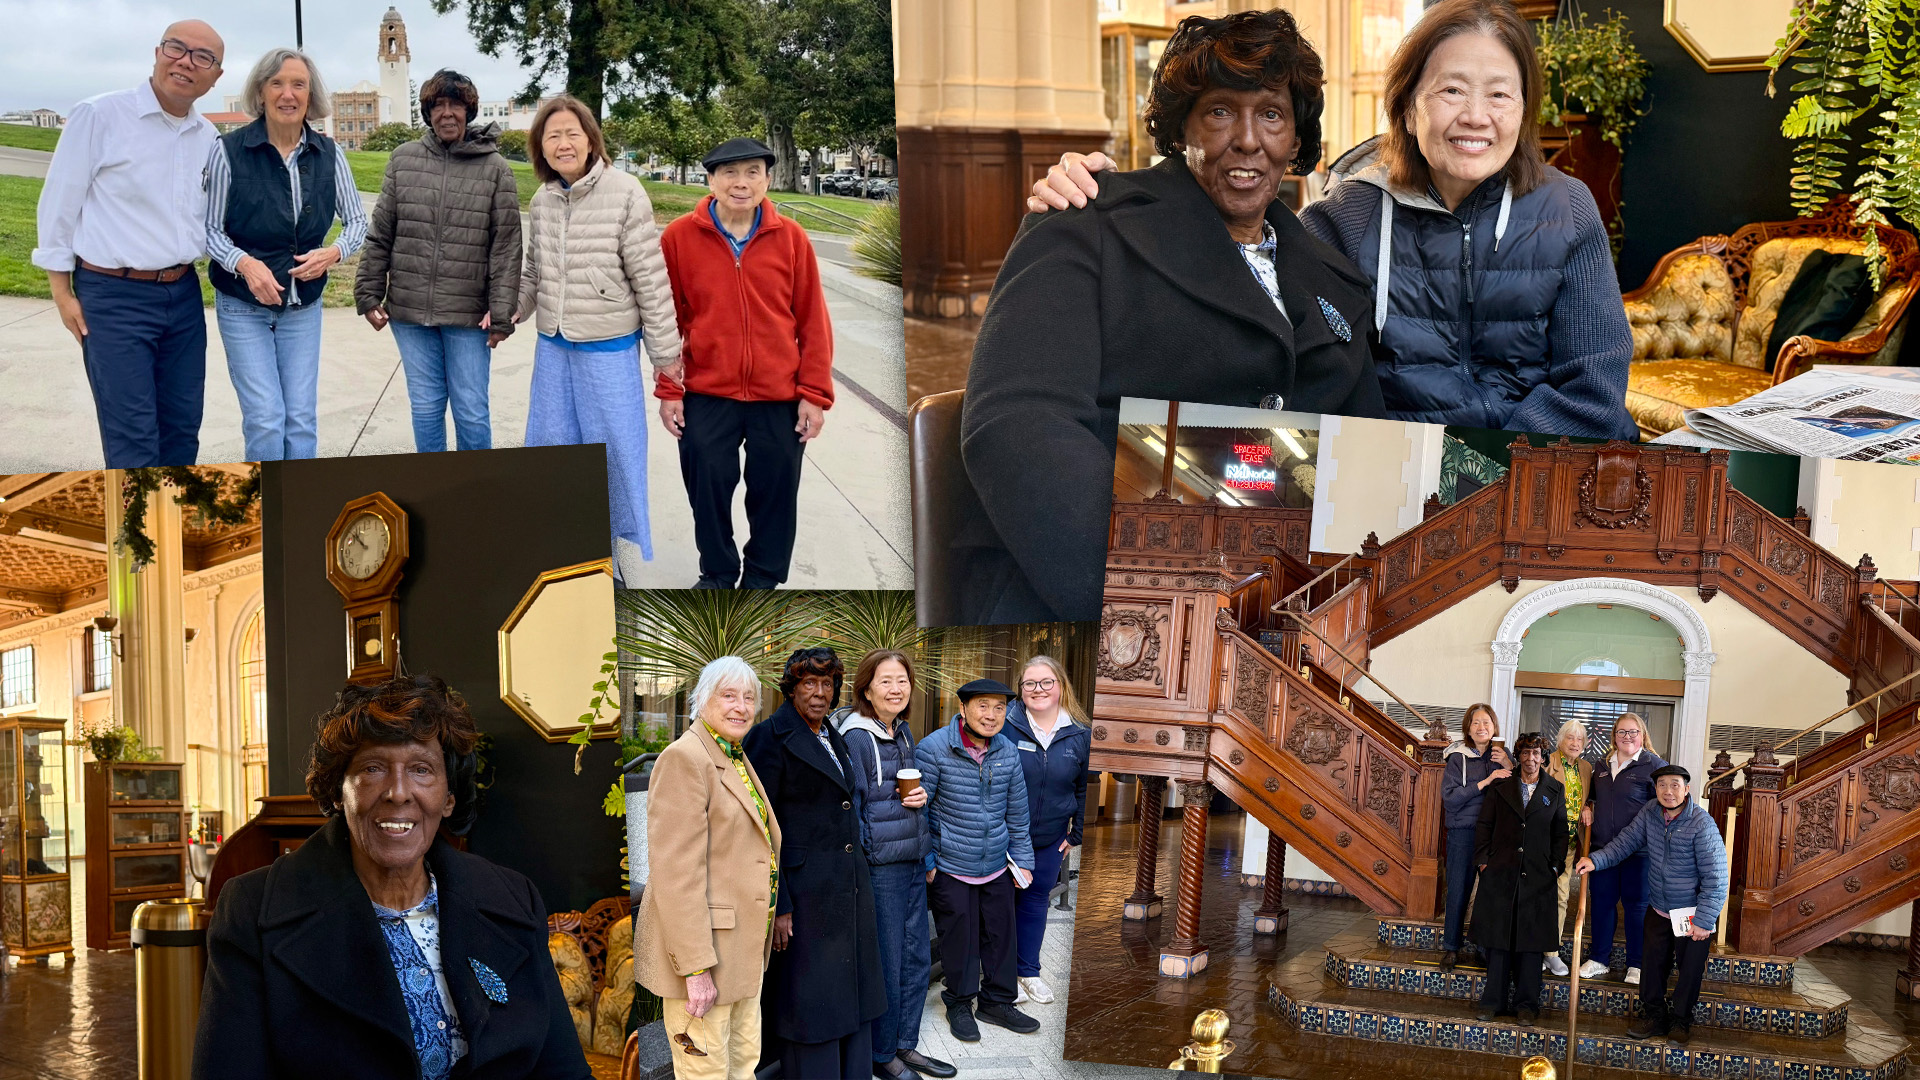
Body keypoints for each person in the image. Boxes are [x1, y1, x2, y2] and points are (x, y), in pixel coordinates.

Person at [1029, 0, 1638, 441]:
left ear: (1525, 109)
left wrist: (1483, 470)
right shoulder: (1350, 212)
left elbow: (1594, 394)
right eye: (1451, 91)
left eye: (1500, 95)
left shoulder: (1568, 208)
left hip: (1544, 476)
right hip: (1397, 491)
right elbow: (1238, 254)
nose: (1476, 116)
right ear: (1407, 105)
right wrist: (1102, 193)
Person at [965, 7, 1386, 627]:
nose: (1247, 139)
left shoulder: (1335, 278)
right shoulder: (1086, 226)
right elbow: (1017, 423)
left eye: (1271, 113)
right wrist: (1139, 599)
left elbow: (1366, 455)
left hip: (1283, 613)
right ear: (1180, 127)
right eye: (1219, 111)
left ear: (1296, 140)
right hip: (1111, 603)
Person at [193, 676, 589, 1080]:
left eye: (421, 769)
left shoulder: (513, 898)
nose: (398, 793)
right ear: (337, 792)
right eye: (373, 768)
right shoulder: (252, 910)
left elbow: (565, 1072)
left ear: (448, 797)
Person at [31, 21, 225, 468]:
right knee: (132, 437)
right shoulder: (99, 115)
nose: (185, 62)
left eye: (202, 57)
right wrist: (61, 293)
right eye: (177, 48)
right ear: (158, 52)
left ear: (215, 77)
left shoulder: (209, 138)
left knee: (181, 429)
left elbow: (214, 220)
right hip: (113, 297)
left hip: (182, 294)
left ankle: (178, 528)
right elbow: (58, 206)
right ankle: (138, 534)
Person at [515, 95, 684, 581]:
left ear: (590, 140)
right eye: (552, 135)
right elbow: (533, 274)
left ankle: (606, 559)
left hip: (608, 348)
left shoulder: (626, 191)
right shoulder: (543, 200)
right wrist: (512, 312)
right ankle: (562, 547)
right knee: (552, 448)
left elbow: (650, 279)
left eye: (572, 133)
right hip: (554, 347)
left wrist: (665, 353)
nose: (563, 143)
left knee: (611, 451)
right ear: (540, 148)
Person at [657, 138, 833, 590]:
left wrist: (814, 395)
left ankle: (762, 578)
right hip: (706, 390)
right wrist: (670, 390)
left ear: (768, 179)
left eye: (753, 171)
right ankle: (716, 572)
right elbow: (667, 321)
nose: (741, 182)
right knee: (707, 486)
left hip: (779, 393)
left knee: (775, 493)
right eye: (730, 172)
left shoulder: (791, 237)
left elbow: (812, 319)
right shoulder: (677, 237)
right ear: (711, 180)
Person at [204, 47, 367, 462]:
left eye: (298, 84)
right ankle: (267, 508)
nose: (287, 93)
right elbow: (208, 230)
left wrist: (333, 253)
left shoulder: (330, 155)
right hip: (244, 306)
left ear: (311, 96)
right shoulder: (229, 151)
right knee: (265, 419)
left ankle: (301, 508)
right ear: (260, 92)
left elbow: (357, 223)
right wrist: (244, 263)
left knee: (299, 420)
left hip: (303, 308)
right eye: (276, 83)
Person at [355, 69, 522, 453]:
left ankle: (475, 496)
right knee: (426, 407)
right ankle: (435, 489)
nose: (448, 113)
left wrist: (501, 314)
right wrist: (368, 293)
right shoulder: (403, 160)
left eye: (456, 105)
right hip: (410, 313)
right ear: (428, 112)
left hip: (468, 316)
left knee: (471, 410)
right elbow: (381, 232)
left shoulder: (495, 168)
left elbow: (507, 247)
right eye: (439, 105)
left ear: (469, 111)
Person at [741, 648, 887, 1080]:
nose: (819, 693)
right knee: (812, 1003)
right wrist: (780, 903)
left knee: (850, 996)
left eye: (827, 684)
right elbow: (760, 828)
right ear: (791, 688)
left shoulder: (832, 734)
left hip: (847, 889)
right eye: (809, 683)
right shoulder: (768, 737)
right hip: (804, 897)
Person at [635, 657, 781, 1080]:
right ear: (702, 700)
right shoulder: (685, 758)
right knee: (707, 1072)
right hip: (705, 962)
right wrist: (696, 971)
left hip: (741, 954)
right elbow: (676, 876)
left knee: (742, 1065)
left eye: (748, 698)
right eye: (728, 695)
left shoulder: (733, 755)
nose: (740, 706)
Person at [830, 651, 956, 1080]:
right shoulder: (858, 738)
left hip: (911, 861)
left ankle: (906, 1044)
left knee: (917, 957)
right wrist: (864, 865)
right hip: (880, 868)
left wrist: (927, 852)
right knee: (888, 961)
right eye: (886, 681)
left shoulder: (902, 733)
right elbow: (854, 807)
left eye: (902, 680)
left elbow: (905, 798)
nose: (896, 688)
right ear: (866, 688)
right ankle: (882, 1055)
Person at [915, 679, 1039, 1043]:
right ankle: (959, 1002)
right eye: (983, 705)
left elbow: (1017, 812)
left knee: (1001, 936)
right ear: (964, 708)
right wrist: (929, 862)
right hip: (951, 865)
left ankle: (996, 1002)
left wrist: (1023, 860)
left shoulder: (1007, 750)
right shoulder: (935, 748)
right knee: (960, 940)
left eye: (1000, 707)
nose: (992, 715)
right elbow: (919, 812)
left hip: (996, 864)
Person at [1576, 764, 1727, 1046]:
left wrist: (1705, 921)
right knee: (1652, 967)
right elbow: (1624, 843)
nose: (1668, 791)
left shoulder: (1702, 823)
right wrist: (1595, 860)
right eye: (1662, 785)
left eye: (1674, 785)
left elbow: (1716, 877)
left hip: (1692, 914)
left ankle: (1681, 1020)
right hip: (1658, 908)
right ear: (1655, 789)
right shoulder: (1649, 813)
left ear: (1686, 789)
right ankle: (1654, 1016)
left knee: (1690, 970)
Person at [1001, 656, 1090, 1007]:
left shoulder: (1080, 734)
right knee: (1001, 905)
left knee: (1036, 902)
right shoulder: (1005, 728)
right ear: (1020, 690)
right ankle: (1002, 976)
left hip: (1051, 838)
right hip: (1005, 838)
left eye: (1046, 682)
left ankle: (1029, 973)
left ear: (1061, 686)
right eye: (1029, 684)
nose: (1038, 690)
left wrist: (1077, 832)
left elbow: (1082, 787)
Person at [1470, 731, 1566, 1026]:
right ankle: (1493, 1001)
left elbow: (1560, 832)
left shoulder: (1555, 789)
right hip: (1500, 872)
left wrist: (1555, 866)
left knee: (1531, 942)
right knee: (1498, 941)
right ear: (1518, 757)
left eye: (1536, 753)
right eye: (1525, 753)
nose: (1531, 759)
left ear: (1543, 758)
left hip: (1538, 876)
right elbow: (1485, 824)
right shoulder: (1501, 786)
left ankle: (1527, 1005)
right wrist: (1484, 862)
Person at [1578, 712, 1665, 984]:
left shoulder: (1655, 766)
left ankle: (1636, 964)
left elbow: (1663, 809)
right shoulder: (1601, 765)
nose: (1627, 737)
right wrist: (1586, 809)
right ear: (1614, 736)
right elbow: (1591, 798)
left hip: (1639, 852)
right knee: (1601, 905)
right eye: (1622, 732)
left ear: (1642, 735)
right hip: (1603, 850)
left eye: (1633, 732)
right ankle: (1599, 959)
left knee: (1636, 907)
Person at [1438, 703, 1510, 970]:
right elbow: (1451, 799)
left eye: (1487, 722)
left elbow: (1519, 790)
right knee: (1458, 889)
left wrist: (1507, 764)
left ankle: (1483, 947)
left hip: (1494, 835)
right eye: (1476, 723)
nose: (1482, 728)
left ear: (1494, 727)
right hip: (1463, 833)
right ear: (1468, 727)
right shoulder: (1458, 757)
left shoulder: (1501, 755)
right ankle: (1451, 948)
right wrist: (1485, 782)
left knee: (1489, 894)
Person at [1544, 719, 1593, 976]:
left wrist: (1587, 807)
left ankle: (1551, 951)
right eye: (1570, 738)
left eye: (1580, 739)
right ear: (1560, 740)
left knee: (1562, 896)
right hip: (1543, 842)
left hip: (1570, 843)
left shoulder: (1586, 768)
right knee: (1540, 893)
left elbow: (1590, 797)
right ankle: (1536, 948)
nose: (1575, 743)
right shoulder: (1547, 762)